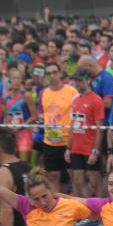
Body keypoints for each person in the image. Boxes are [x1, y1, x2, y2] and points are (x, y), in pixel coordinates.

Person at [65, 70, 105, 206]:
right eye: (76, 81)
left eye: (81, 81)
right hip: (76, 147)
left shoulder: (96, 100)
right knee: (78, 178)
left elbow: (100, 128)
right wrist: (68, 147)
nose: (78, 84)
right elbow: (72, 124)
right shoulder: (75, 100)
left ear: (88, 81)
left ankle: (102, 210)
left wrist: (95, 150)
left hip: (89, 147)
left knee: (94, 178)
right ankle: (87, 210)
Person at [38, 62, 78, 192]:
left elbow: (77, 116)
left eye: (55, 72)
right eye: (49, 73)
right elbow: (42, 113)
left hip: (68, 141)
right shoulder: (43, 93)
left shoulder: (71, 91)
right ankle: (57, 207)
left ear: (60, 73)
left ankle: (72, 205)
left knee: (71, 176)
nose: (52, 75)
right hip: (50, 141)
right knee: (53, 176)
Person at [3, 67, 38, 163]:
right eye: (14, 78)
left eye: (18, 78)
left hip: (24, 133)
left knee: (24, 165)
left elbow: (35, 116)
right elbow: (7, 116)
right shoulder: (7, 97)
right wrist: (7, 129)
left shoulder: (26, 96)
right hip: (11, 134)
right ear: (10, 80)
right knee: (13, 166)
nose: (16, 81)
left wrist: (21, 126)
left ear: (22, 80)